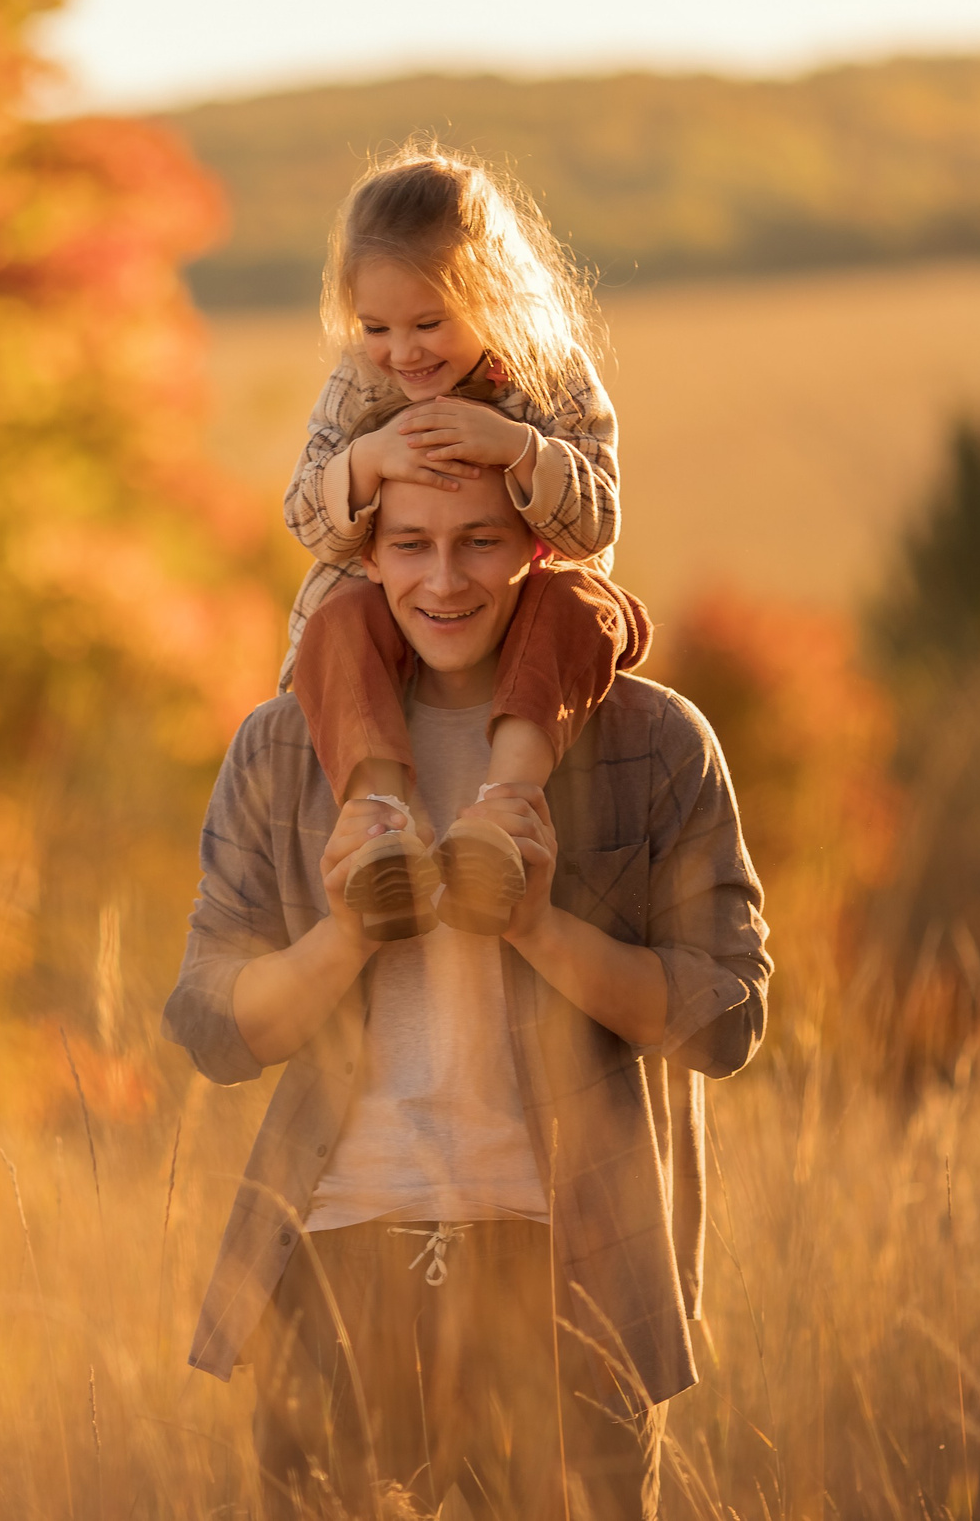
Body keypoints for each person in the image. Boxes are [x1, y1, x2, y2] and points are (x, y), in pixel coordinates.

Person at [164, 465, 772, 1520]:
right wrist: (349, 932)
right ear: (364, 556)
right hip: (333, 1259)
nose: (443, 580)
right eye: (410, 545)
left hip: (568, 1270)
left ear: (539, 546)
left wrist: (536, 925)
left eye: (479, 541)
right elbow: (214, 1027)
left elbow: (726, 1022)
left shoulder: (657, 741)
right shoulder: (279, 746)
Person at [281, 144, 648, 948]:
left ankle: (501, 817)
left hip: (522, 608)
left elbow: (597, 524)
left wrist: (516, 447)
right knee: (337, 620)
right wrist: (367, 461)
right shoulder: (358, 384)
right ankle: (382, 832)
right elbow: (303, 514)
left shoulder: (552, 376)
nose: (402, 351)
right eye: (376, 326)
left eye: (428, 322)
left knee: (583, 604)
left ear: (491, 294)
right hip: (389, 618)